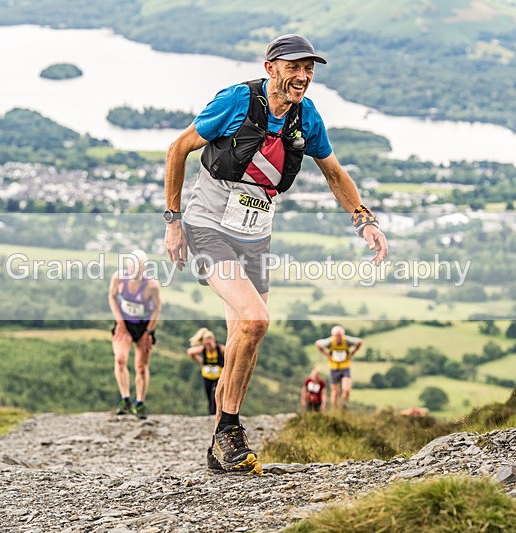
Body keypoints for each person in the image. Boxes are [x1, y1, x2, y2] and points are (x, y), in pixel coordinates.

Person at [164, 34, 389, 474]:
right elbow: (178, 149)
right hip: (208, 226)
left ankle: (219, 449)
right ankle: (230, 429)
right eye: (294, 67)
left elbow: (334, 173)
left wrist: (365, 219)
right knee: (255, 320)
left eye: (309, 69)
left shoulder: (307, 119)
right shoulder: (236, 101)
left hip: (254, 237)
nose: (302, 76)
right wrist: (173, 222)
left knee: (243, 338)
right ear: (270, 68)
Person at [107, 250, 161, 419]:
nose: (134, 272)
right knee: (120, 359)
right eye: (131, 267)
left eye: (138, 269)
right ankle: (125, 399)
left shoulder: (152, 285)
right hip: (124, 323)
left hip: (143, 326)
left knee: (141, 367)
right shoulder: (118, 278)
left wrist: (148, 332)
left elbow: (157, 308)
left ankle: (140, 402)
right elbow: (112, 297)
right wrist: (120, 322)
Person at [315, 325, 363, 409]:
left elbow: (359, 342)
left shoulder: (347, 341)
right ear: (333, 336)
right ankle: (335, 410)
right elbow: (318, 344)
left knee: (346, 390)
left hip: (345, 367)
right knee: (335, 392)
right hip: (334, 368)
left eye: (340, 336)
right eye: (336, 336)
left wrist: (353, 352)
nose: (338, 338)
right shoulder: (330, 342)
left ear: (342, 335)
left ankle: (343, 404)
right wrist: (326, 355)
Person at [187, 327, 226, 415]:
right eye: (205, 344)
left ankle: (215, 413)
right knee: (209, 396)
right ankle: (210, 414)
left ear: (213, 340)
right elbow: (190, 352)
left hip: (219, 377)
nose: (208, 346)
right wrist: (200, 362)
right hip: (207, 376)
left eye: (209, 343)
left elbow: (231, 353)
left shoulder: (221, 349)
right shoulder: (203, 349)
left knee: (215, 395)